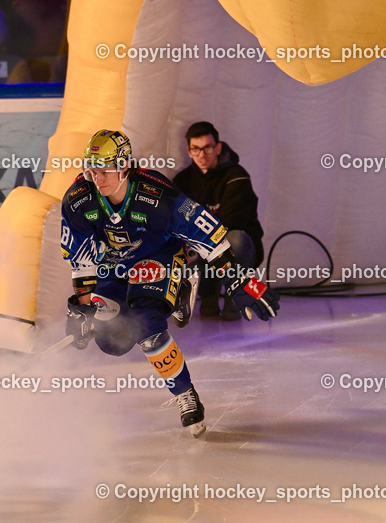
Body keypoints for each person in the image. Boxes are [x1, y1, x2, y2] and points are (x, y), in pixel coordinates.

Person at [60, 129, 280, 437]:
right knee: (111, 341)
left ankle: (184, 394)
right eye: (92, 170)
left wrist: (236, 279)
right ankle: (177, 296)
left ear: (124, 165)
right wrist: (81, 309)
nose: (97, 178)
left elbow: (210, 237)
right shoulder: (78, 199)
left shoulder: (157, 195)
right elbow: (80, 258)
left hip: (159, 257)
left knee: (147, 326)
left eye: (105, 170)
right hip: (113, 264)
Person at [173, 121, 265, 320]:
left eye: (207, 148)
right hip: (201, 249)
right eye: (196, 149)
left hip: (232, 244)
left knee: (235, 240)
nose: (202, 155)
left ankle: (235, 297)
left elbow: (235, 220)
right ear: (189, 151)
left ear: (218, 148)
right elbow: (176, 221)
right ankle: (208, 298)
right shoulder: (182, 181)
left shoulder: (237, 176)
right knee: (178, 246)